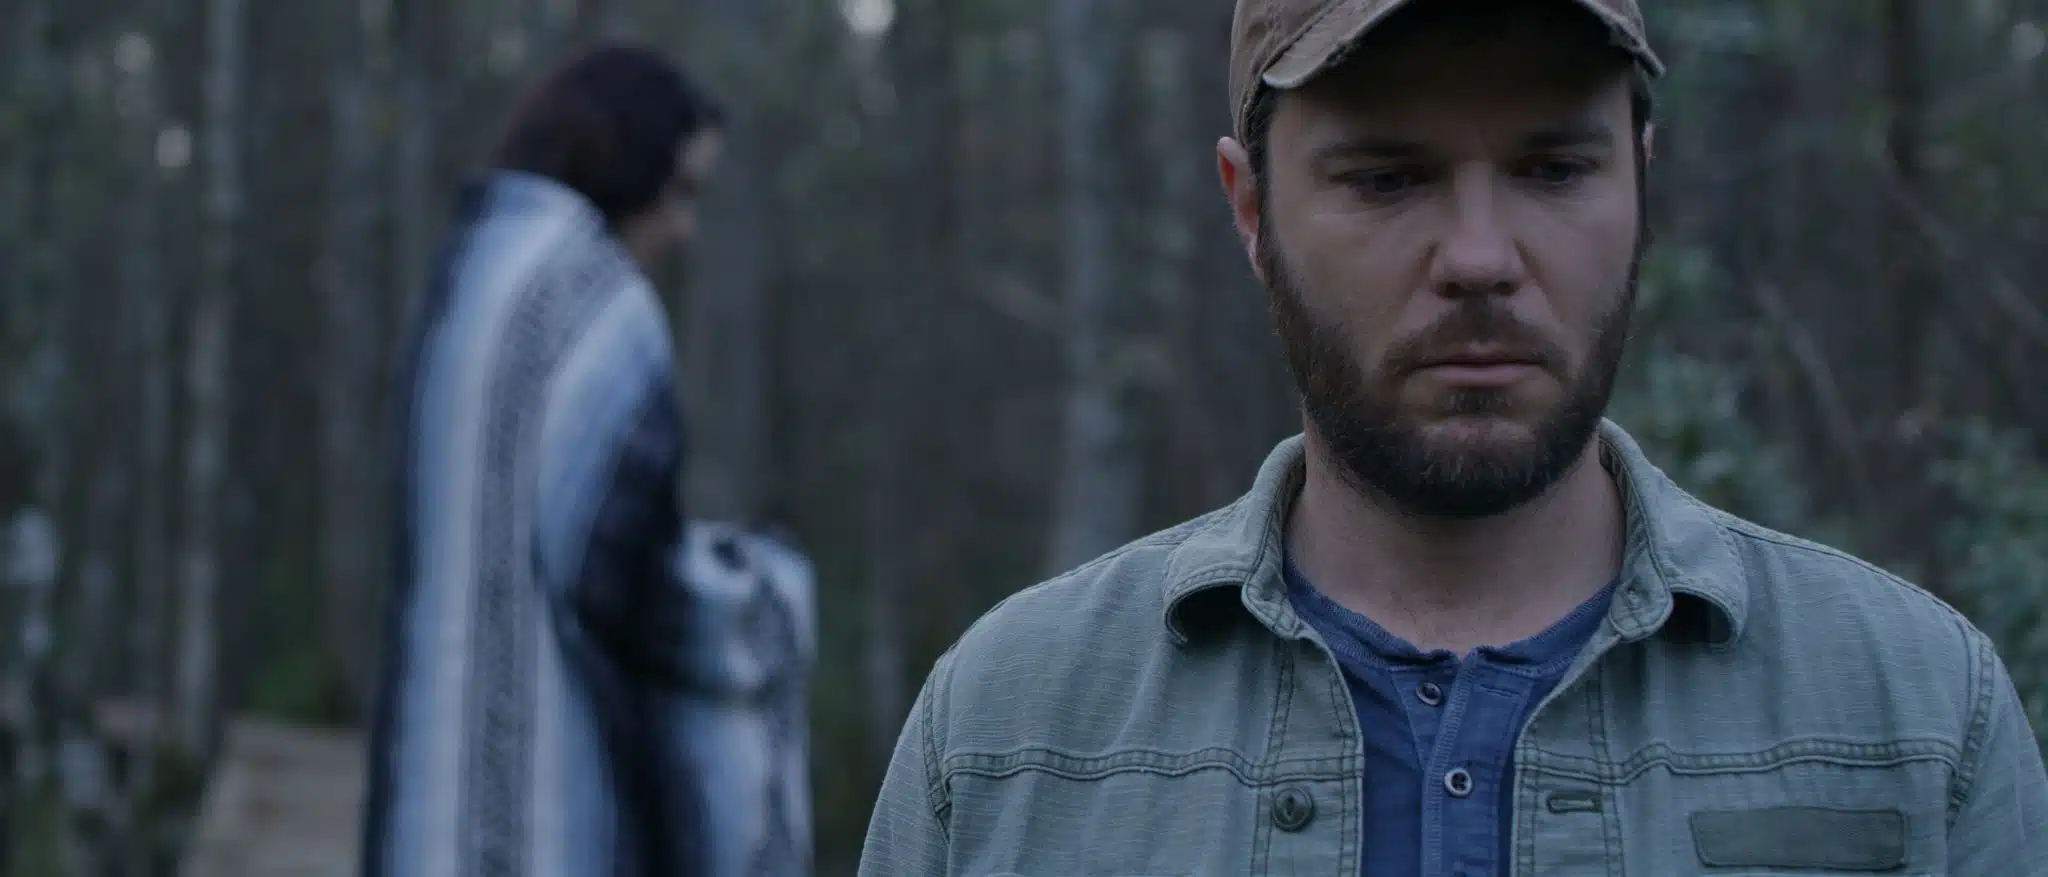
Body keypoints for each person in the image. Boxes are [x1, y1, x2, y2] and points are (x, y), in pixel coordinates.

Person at [856, 0, 2048, 874]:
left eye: (1550, 168)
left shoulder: (1913, 716)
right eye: (1386, 179)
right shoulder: (1012, 737)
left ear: (1640, 180)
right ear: (1250, 209)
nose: (1479, 258)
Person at [363, 42, 817, 877]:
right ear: (626, 161)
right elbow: (626, 586)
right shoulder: (603, 309)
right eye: (680, 191)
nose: (683, 228)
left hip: (427, 815)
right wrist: (763, 599)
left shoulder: (466, 273)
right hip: (556, 821)